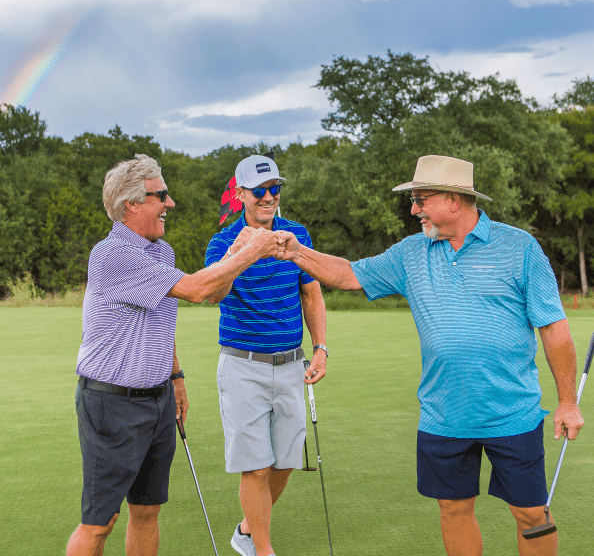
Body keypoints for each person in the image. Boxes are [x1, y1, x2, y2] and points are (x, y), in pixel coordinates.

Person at [276, 155, 585, 556]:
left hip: (511, 412)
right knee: (453, 509)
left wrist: (566, 401)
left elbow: (554, 329)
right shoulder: (411, 253)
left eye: (421, 199)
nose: (413, 209)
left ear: (454, 200)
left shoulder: (519, 247)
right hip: (443, 414)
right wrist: (296, 251)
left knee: (531, 515)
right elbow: (348, 274)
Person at [67, 153, 283, 556]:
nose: (170, 203)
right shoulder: (112, 254)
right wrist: (252, 249)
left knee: (147, 511)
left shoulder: (161, 252)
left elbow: (158, 326)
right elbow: (199, 289)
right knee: (100, 522)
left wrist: (176, 378)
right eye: (161, 195)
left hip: (157, 399)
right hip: (111, 403)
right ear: (131, 204)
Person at [205, 154, 328, 556]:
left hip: (292, 363)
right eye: (259, 190)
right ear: (240, 194)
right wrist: (239, 256)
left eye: (275, 188)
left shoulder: (296, 235)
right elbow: (213, 294)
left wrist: (320, 348)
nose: (269, 197)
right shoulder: (223, 242)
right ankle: (262, 549)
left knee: (287, 460)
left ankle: (245, 529)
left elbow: (311, 293)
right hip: (243, 365)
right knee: (255, 466)